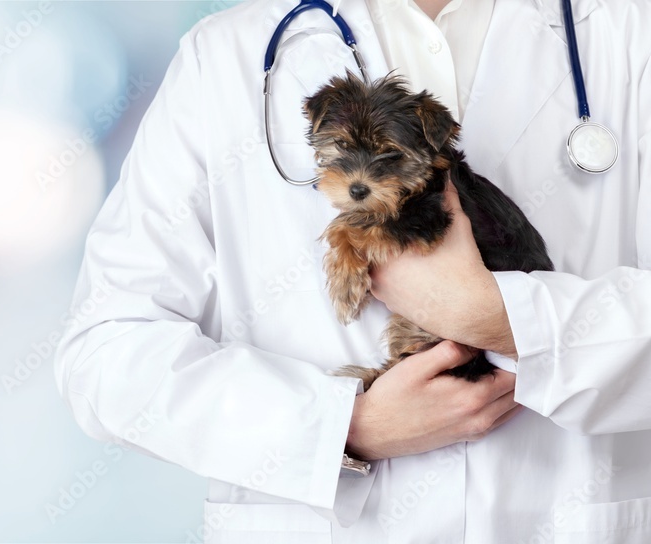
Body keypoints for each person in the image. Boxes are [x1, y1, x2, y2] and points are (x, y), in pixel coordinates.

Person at [54, 0, 651, 541]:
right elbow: (108, 352)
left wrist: (500, 319)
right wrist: (339, 428)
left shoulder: (629, 33)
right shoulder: (226, 57)